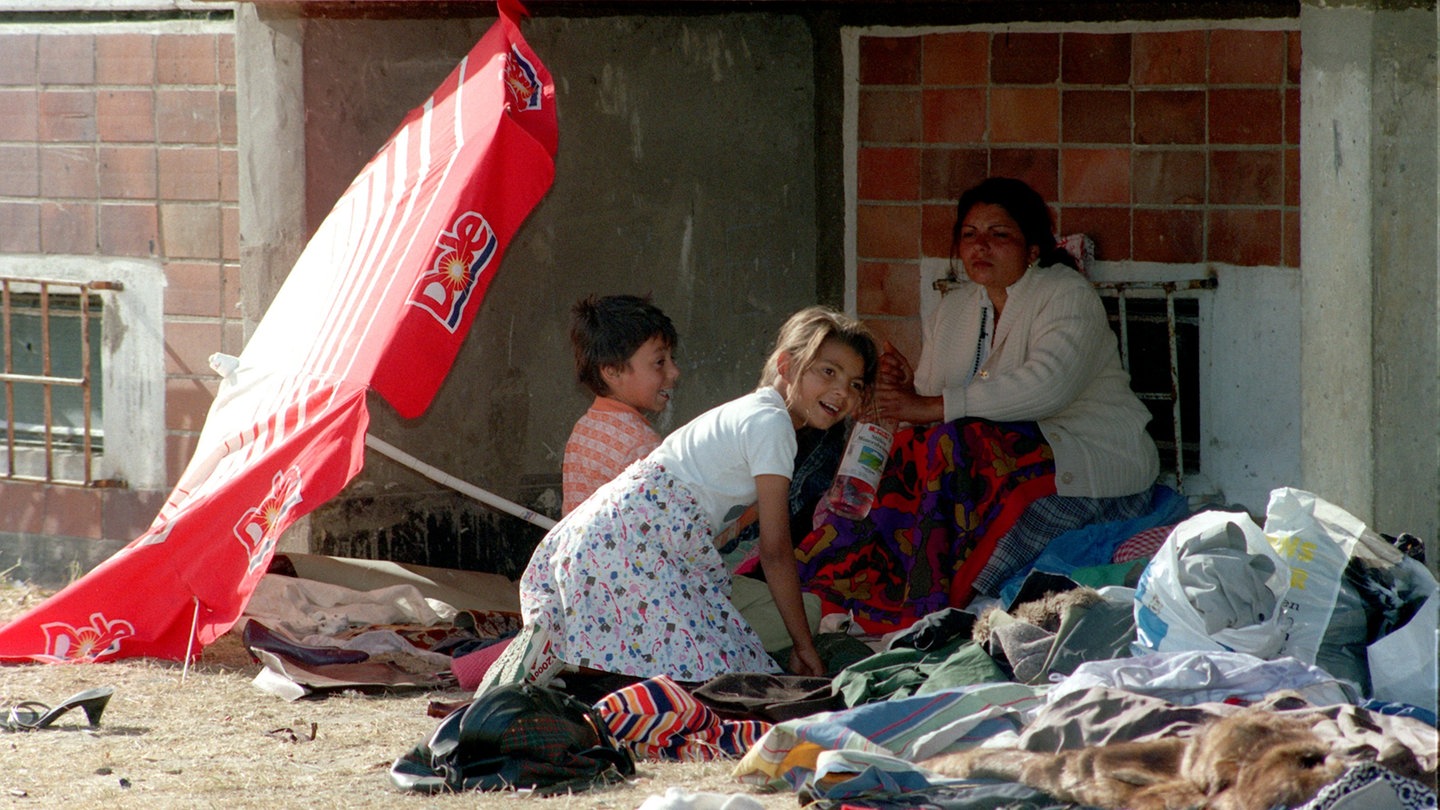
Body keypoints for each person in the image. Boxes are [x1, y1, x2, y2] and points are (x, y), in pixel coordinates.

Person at [795, 177, 1159, 631]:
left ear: (1032, 248)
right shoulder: (955, 307)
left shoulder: (1066, 294)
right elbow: (929, 402)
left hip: (1087, 459)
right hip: (987, 464)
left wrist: (927, 405)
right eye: (969, 234)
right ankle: (847, 589)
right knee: (909, 452)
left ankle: (930, 598)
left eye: (998, 234)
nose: (980, 246)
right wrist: (907, 389)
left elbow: (1047, 387)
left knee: (960, 443)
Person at [480, 307, 880, 692]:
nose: (841, 391)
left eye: (855, 384)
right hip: (635, 547)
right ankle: (572, 658)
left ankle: (571, 652)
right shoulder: (772, 423)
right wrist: (805, 647)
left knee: (723, 643)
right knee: (718, 670)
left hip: (614, 538)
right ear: (786, 366)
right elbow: (775, 551)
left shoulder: (757, 411)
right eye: (828, 371)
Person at [561, 294, 680, 515]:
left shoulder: (584, 428)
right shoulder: (640, 445)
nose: (674, 372)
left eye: (673, 359)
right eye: (659, 362)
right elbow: (667, 522)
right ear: (613, 372)